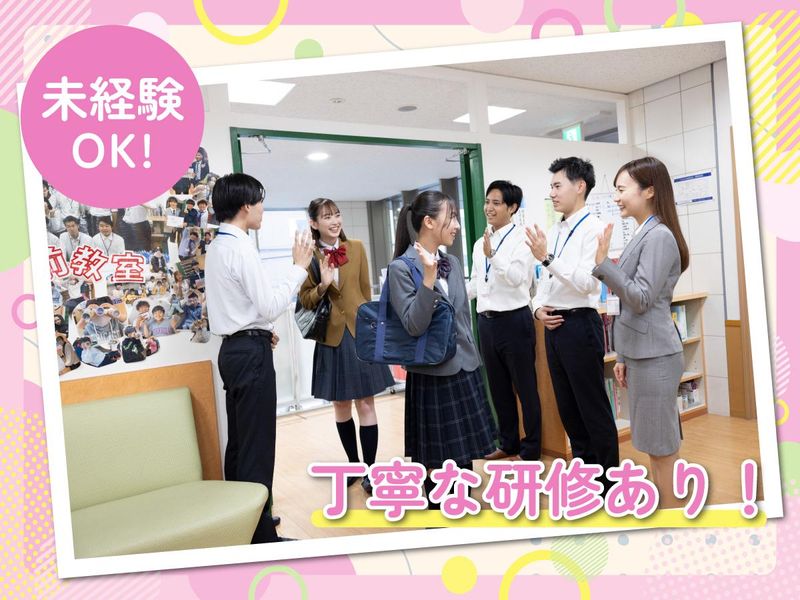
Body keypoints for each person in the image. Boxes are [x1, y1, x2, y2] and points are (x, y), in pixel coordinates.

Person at [205, 172, 314, 543]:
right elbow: (268, 304)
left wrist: (261, 330)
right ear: (245, 206)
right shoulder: (240, 248)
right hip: (249, 354)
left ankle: (244, 524)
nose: (263, 209)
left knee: (240, 444)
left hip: (234, 350)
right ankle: (262, 538)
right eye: (260, 201)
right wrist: (298, 267)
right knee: (257, 448)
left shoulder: (218, 247)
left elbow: (240, 307)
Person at [592, 156, 689, 507]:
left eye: (622, 189)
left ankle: (672, 519)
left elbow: (641, 298)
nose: (616, 197)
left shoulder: (658, 235)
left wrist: (603, 264)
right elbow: (630, 302)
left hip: (656, 356)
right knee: (652, 443)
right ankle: (666, 513)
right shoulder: (643, 231)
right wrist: (622, 355)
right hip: (642, 354)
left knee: (661, 446)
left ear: (649, 191)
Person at [388, 191, 496, 503]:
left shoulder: (452, 262)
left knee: (464, 459)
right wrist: (428, 280)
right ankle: (439, 523)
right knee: (437, 465)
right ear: (429, 222)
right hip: (432, 374)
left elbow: (461, 316)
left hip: (464, 367)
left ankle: (462, 511)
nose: (457, 225)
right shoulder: (401, 268)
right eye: (451, 218)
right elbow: (413, 324)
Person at [527, 156, 619, 492]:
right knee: (568, 408)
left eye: (557, 185)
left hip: (581, 324)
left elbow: (587, 283)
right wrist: (537, 309)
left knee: (592, 407)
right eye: (551, 186)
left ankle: (610, 482)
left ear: (580, 186)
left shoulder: (595, 229)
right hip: (554, 327)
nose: (552, 193)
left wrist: (547, 258)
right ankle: (586, 476)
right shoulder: (554, 230)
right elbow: (545, 282)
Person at [298, 198, 394, 494]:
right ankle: (354, 465)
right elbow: (305, 300)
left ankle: (371, 471)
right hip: (331, 336)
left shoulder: (357, 247)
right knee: (340, 404)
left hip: (359, 332)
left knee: (366, 403)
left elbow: (364, 292)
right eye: (327, 216)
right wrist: (323, 285)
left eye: (337, 214)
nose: (334, 220)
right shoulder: (308, 256)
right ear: (314, 223)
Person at [466, 180, 541, 461]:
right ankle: (508, 443)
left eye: (496, 203)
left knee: (525, 387)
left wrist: (494, 257)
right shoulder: (480, 244)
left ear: (512, 208)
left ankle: (531, 449)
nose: (489, 208)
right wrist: (450, 296)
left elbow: (517, 279)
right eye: (487, 202)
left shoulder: (523, 239)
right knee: (498, 387)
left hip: (515, 321)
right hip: (486, 322)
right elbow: (476, 283)